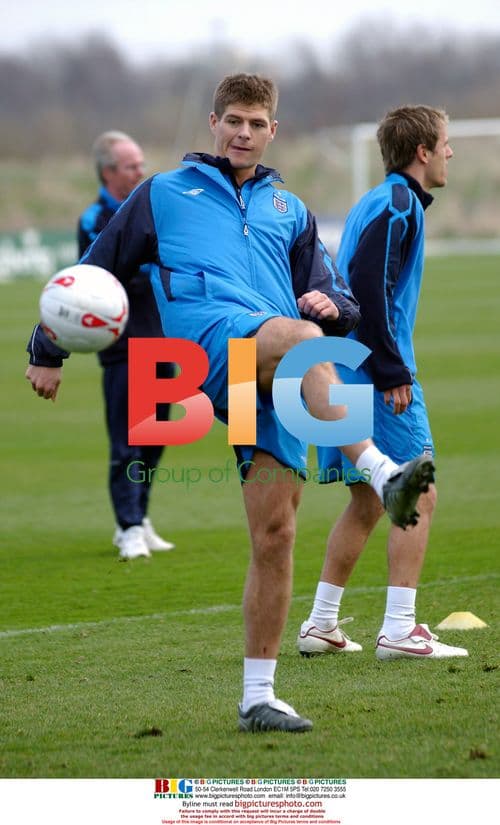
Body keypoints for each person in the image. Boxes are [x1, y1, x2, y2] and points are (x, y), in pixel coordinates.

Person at [25, 75, 435, 732]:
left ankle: (257, 698)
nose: (244, 133)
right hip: (213, 342)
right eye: (234, 120)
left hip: (268, 371)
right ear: (214, 123)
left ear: (273, 130)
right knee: (300, 339)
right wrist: (46, 347)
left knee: (276, 533)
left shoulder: (290, 209)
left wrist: (334, 306)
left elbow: (339, 297)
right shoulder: (162, 193)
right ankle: (382, 472)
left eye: (256, 123)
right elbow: (94, 271)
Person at [298, 105, 468, 661]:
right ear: (422, 151)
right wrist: (392, 369)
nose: (449, 152)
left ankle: (322, 623)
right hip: (373, 371)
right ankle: (399, 630)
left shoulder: (379, 200)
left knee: (369, 501)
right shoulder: (398, 204)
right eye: (444, 143)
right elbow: (370, 287)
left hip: (343, 368)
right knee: (418, 489)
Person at [28, 131, 175, 561]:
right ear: (109, 172)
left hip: (163, 339)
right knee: (127, 441)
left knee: (156, 437)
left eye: (141, 163)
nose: (140, 171)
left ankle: (140, 515)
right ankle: (127, 527)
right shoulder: (96, 218)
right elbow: (108, 273)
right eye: (131, 166)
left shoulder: (152, 212)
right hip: (123, 346)